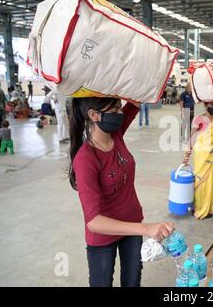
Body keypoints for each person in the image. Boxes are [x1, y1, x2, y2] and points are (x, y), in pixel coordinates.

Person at [69, 97, 174, 287]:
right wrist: (146, 228)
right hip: (104, 237)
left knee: (132, 282)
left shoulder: (115, 134)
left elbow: (137, 99)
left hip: (132, 227)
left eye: (119, 108)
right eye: (115, 110)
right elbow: (94, 221)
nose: (120, 113)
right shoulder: (85, 159)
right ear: (94, 115)